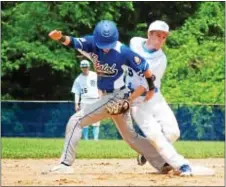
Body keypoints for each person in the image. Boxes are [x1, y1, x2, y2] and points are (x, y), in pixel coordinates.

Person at [48, 20, 159, 174]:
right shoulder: (91, 43)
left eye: (109, 44)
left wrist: (151, 88)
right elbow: (72, 42)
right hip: (109, 96)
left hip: (117, 96)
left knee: (76, 121)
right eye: (103, 44)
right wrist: (60, 38)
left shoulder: (123, 51)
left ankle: (65, 164)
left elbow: (145, 68)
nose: (106, 48)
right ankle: (163, 161)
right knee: (131, 137)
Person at [127, 20, 192, 176]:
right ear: (149, 34)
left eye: (164, 37)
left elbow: (146, 87)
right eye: (157, 35)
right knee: (155, 134)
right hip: (138, 102)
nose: (161, 39)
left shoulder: (160, 59)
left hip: (153, 96)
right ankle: (181, 164)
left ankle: (149, 152)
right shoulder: (134, 42)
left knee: (173, 133)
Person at [71, 59, 100, 141]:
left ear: (89, 67)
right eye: (83, 67)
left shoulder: (95, 75)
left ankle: (96, 139)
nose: (85, 69)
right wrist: (76, 104)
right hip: (84, 100)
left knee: (96, 119)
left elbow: (101, 87)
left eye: (86, 67)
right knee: (84, 120)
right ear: (81, 67)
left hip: (95, 99)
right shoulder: (78, 79)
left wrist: (101, 98)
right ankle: (86, 139)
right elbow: (76, 92)